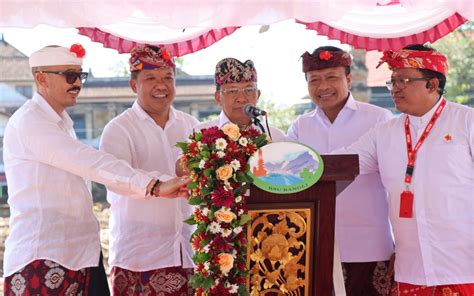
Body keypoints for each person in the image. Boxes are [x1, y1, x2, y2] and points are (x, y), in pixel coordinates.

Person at [2, 44, 190, 296]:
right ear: (41, 78)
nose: (77, 83)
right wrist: (154, 185)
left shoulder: (62, 124)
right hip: (43, 257)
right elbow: (89, 162)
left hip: (80, 256)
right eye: (69, 76)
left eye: (80, 75)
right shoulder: (31, 121)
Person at [336, 44, 474, 295]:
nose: (395, 88)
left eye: (404, 80)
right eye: (393, 81)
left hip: (464, 266)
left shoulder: (467, 121)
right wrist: (284, 164)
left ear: (432, 85)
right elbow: (341, 162)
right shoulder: (384, 133)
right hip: (411, 269)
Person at [287, 46, 394, 295]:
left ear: (348, 78)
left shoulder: (379, 119)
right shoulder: (300, 126)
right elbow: (288, 178)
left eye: (332, 77)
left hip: (370, 246)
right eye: (315, 80)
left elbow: (397, 182)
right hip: (315, 247)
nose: (323, 86)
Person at [99, 45, 199, 296]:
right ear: (134, 85)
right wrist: (166, 184)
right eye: (151, 78)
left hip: (189, 253)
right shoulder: (118, 129)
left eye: (168, 78)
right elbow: (115, 180)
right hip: (140, 258)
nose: (161, 85)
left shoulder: (192, 126)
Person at [192, 57, 285, 141]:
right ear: (218, 98)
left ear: (258, 95)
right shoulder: (200, 135)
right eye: (232, 91)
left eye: (249, 90)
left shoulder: (275, 137)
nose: (241, 99)